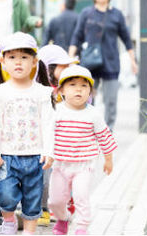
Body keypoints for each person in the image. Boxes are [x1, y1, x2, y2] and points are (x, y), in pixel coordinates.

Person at [0, 32, 54, 235]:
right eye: (12, 57)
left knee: (33, 197)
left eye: (24, 57)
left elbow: (48, 123)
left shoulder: (41, 92)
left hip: (35, 156)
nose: (18, 62)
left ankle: (29, 232)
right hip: (6, 157)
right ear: (3, 61)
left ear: (34, 62)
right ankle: (8, 220)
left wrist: (49, 151)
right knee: (5, 194)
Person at [48, 65, 117, 235]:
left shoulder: (93, 114)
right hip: (60, 164)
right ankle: (62, 218)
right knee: (55, 201)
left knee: (81, 197)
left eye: (84, 86)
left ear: (90, 92)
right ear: (61, 90)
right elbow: (47, 135)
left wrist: (108, 159)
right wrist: (46, 154)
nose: (78, 89)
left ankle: (82, 227)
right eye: (72, 85)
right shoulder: (56, 112)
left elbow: (104, 137)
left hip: (84, 165)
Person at [69, 0, 138, 131]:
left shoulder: (116, 15)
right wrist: (70, 59)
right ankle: (87, 129)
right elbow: (77, 36)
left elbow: (126, 39)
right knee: (87, 99)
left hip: (111, 63)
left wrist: (133, 60)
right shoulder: (86, 13)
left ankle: (107, 132)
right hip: (90, 64)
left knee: (111, 101)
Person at [36, 44, 78, 226]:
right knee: (45, 178)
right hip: (45, 144)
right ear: (49, 69)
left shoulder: (68, 88)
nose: (68, 70)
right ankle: (42, 208)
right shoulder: (41, 91)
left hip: (65, 144)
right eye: (64, 67)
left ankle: (61, 206)